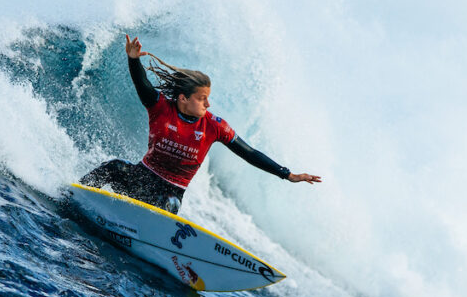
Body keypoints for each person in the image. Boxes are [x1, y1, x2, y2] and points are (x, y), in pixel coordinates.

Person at [80, 34, 321, 213]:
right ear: (183, 99)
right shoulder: (161, 108)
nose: (208, 103)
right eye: (202, 98)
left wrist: (287, 174)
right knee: (114, 168)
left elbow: (249, 153)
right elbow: (142, 83)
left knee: (170, 204)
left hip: (170, 192)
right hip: (142, 177)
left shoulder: (215, 126)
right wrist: (133, 60)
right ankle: (76, 195)